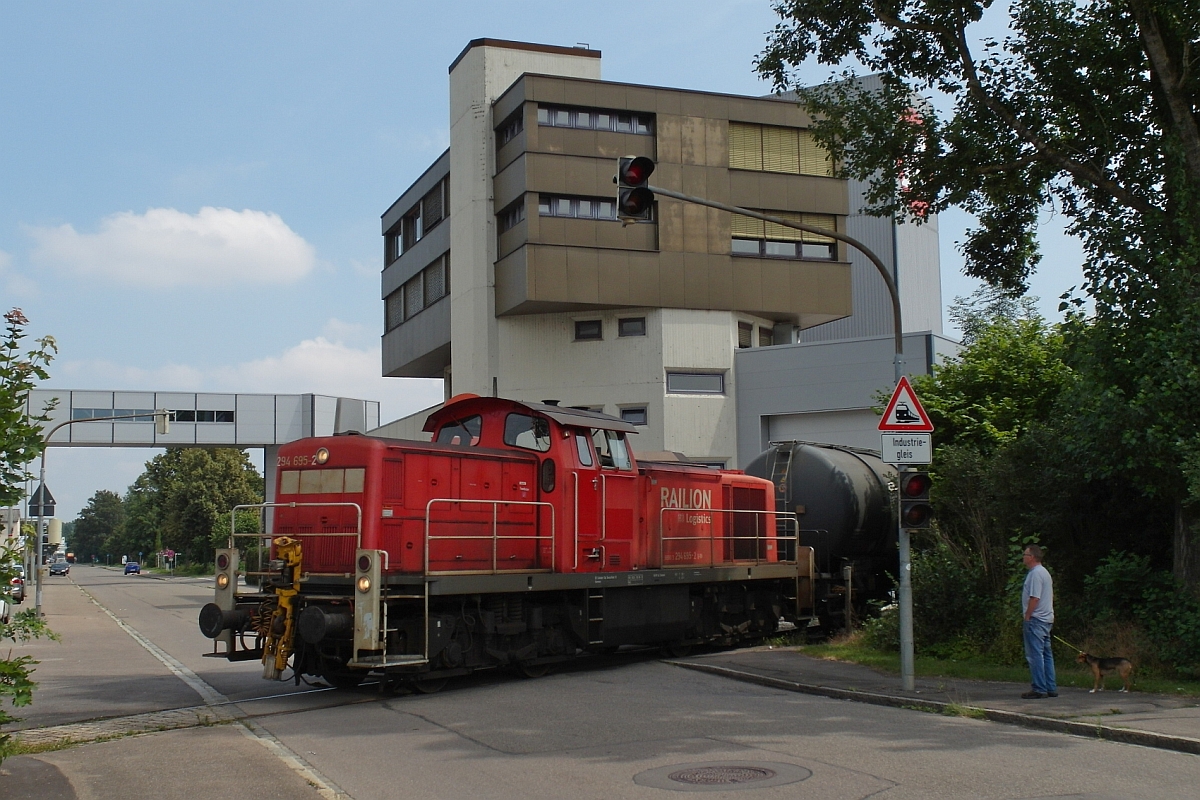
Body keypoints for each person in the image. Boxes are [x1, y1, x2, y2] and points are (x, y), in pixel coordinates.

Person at [1021, 544, 1057, 698]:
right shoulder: (1044, 573)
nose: (1023, 557)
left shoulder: (1035, 574)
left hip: (1036, 619)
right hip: (1046, 619)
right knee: (1046, 654)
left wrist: (1028, 615)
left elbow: (1035, 597)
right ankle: (1050, 687)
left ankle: (1039, 688)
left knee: (1035, 655)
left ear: (1032, 557)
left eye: (1025, 555)